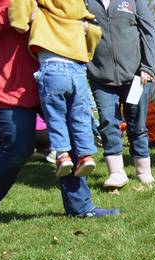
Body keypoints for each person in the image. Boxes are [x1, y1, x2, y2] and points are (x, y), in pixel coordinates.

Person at [0, 0, 117, 222]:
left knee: (73, 138)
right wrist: (16, 12)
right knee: (20, 146)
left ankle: (80, 206)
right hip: (5, 84)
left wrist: (85, 27)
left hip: (52, 75)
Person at [9, 0, 102, 178]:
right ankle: (85, 155)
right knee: (80, 115)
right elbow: (95, 32)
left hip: (52, 67)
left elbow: (19, 22)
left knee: (55, 116)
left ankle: (62, 155)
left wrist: (28, 19)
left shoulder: (43, 11)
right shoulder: (78, 10)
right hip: (78, 70)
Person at [87, 0, 155, 189]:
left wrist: (148, 67)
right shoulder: (85, 2)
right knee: (108, 122)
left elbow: (149, 32)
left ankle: (143, 171)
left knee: (137, 124)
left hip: (136, 77)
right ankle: (116, 173)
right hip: (100, 76)